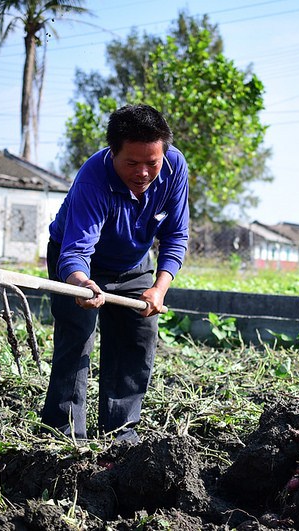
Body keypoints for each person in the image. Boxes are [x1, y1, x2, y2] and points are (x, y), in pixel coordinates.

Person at [41, 104, 189, 443]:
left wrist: (159, 288)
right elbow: (76, 250)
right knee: (76, 339)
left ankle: (120, 433)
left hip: (134, 262)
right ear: (113, 152)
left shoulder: (174, 166)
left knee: (136, 338)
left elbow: (176, 235)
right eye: (132, 163)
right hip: (80, 263)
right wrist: (81, 283)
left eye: (152, 163)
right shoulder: (93, 178)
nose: (143, 173)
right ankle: (64, 434)